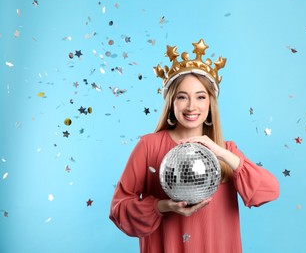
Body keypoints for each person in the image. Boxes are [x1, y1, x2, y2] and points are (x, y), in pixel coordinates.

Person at [109, 39, 280, 253]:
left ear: (210, 104)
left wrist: (220, 152)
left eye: (200, 97)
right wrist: (162, 206)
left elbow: (270, 190)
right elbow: (119, 209)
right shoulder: (148, 146)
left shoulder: (226, 151)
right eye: (182, 97)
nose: (192, 106)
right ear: (172, 103)